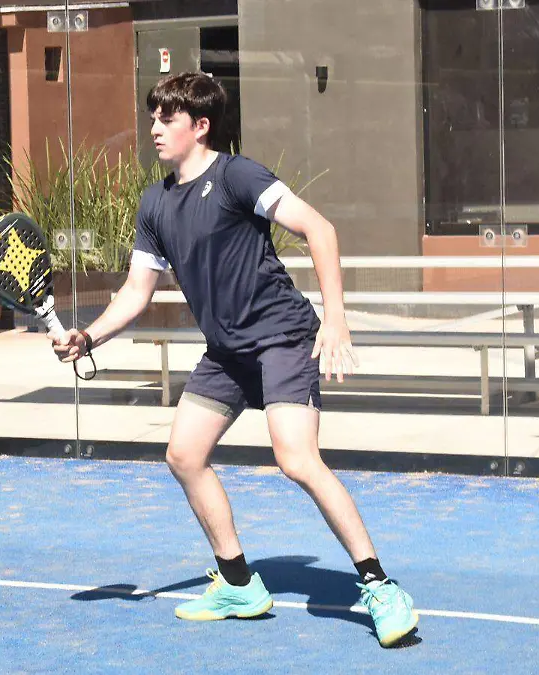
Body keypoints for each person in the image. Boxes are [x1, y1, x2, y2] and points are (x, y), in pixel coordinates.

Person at [52, 72, 418, 647]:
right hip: (226, 353)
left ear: (200, 126)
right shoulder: (156, 203)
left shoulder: (237, 176)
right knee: (183, 455)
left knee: (297, 459)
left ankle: (379, 585)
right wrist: (89, 337)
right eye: (153, 117)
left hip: (282, 337)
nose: (154, 128)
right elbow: (136, 292)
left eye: (167, 118)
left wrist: (336, 317)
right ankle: (239, 584)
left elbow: (319, 229)